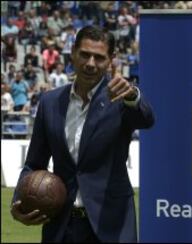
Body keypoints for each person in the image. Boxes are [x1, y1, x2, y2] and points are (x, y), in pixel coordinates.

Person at [10, 25, 154, 242]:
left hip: (111, 227)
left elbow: (146, 119)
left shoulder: (122, 99)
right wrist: (18, 201)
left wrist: (133, 95)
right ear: (73, 53)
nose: (90, 64)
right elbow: (34, 164)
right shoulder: (49, 103)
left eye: (99, 57)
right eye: (85, 55)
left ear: (111, 59)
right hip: (60, 226)